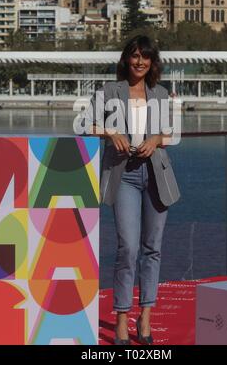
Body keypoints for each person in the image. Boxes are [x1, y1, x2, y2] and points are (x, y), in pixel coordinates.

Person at [76, 35, 180, 345]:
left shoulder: (161, 94)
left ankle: (145, 317)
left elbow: (172, 134)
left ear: (152, 62)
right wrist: (110, 132)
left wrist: (155, 140)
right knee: (128, 248)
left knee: (153, 249)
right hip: (125, 177)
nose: (139, 62)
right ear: (126, 59)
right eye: (134, 56)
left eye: (145, 57)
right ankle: (122, 316)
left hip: (156, 176)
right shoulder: (110, 92)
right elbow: (83, 125)